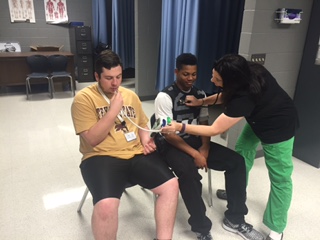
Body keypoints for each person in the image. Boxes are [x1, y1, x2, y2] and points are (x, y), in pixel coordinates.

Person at [162, 54, 298, 240]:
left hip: (278, 127)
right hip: (257, 118)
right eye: (213, 75)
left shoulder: (245, 97)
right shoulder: (247, 71)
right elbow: (226, 95)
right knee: (242, 152)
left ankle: (276, 228)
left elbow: (214, 129)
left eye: (217, 79)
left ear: (231, 81)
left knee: (280, 179)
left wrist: (180, 127)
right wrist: (202, 102)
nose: (211, 80)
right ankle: (237, 191)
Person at [71, 50, 179, 240]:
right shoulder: (83, 99)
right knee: (106, 206)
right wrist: (113, 111)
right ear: (97, 76)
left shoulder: (129, 95)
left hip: (135, 154)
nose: (115, 83)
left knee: (171, 185)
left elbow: (142, 124)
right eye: (109, 78)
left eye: (119, 77)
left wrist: (145, 139)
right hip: (100, 157)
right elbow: (92, 139)